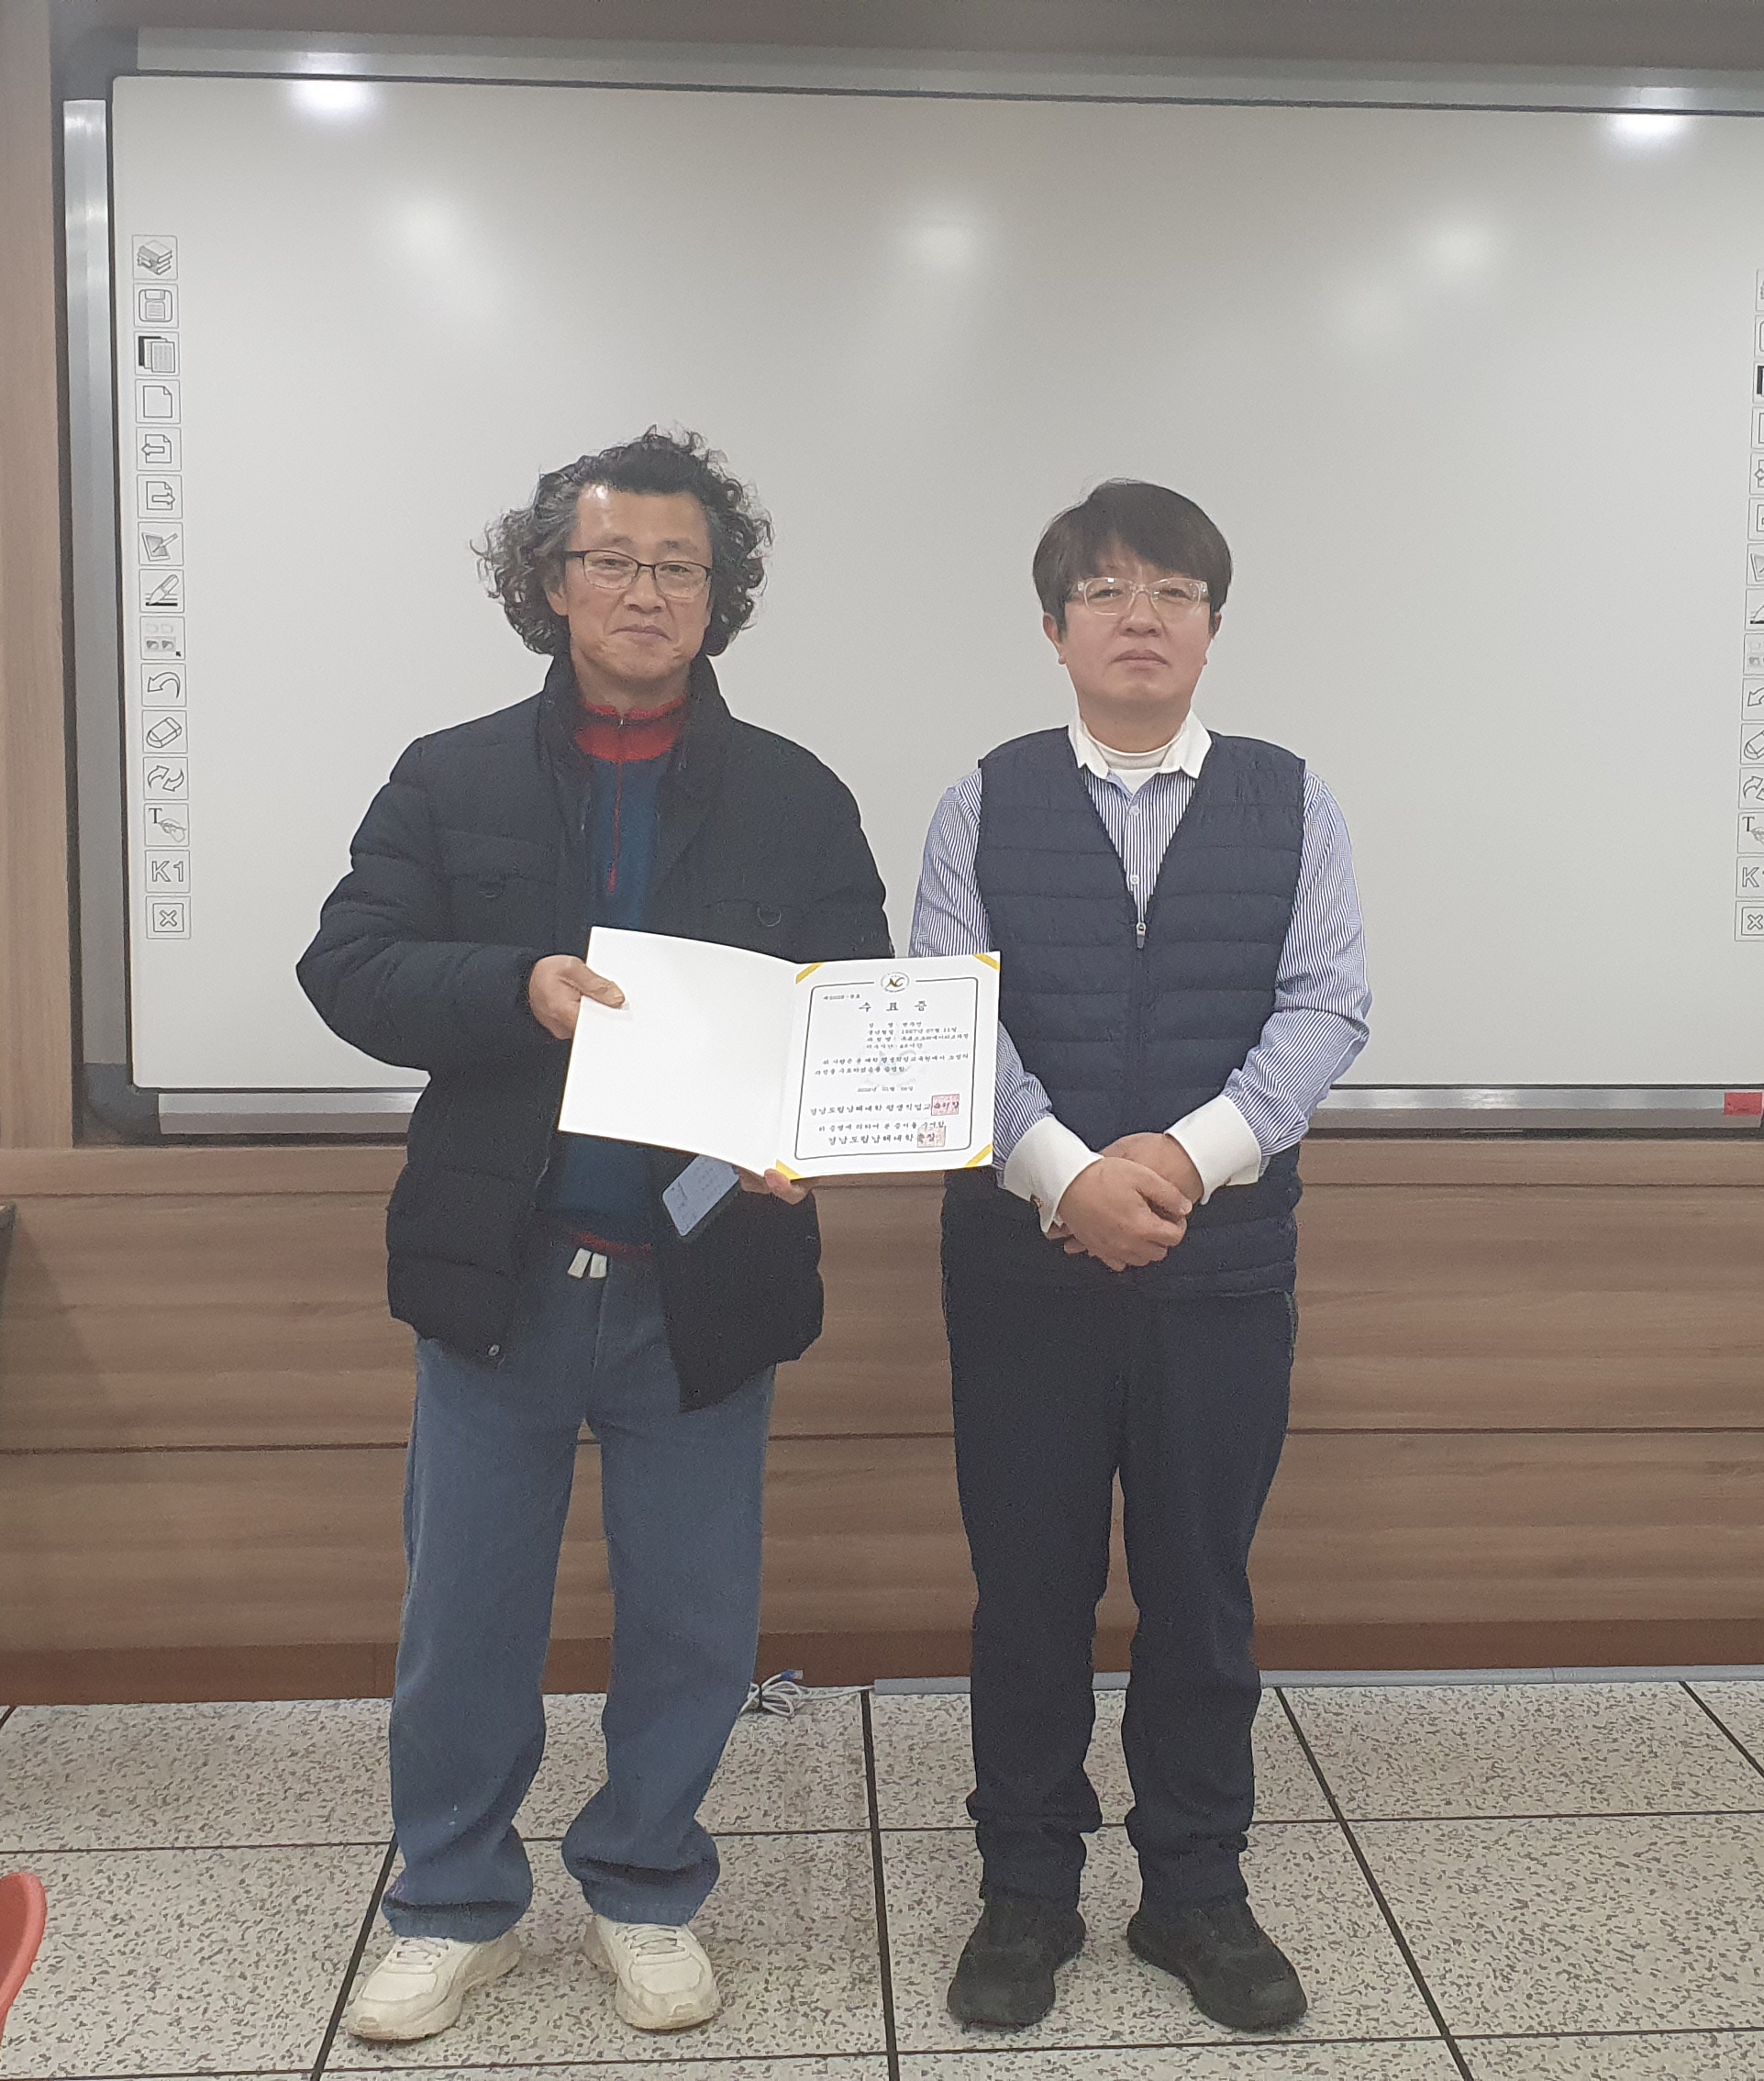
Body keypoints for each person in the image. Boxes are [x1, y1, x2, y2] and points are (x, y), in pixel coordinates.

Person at [296, 428, 888, 2046]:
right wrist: (520, 988)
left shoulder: (795, 793)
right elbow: (348, 968)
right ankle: (450, 1901)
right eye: (614, 561)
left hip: (707, 1270)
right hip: (503, 1273)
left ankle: (646, 1885)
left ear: (720, 593)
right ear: (551, 582)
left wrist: (812, 1131)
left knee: (694, 1621)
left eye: (679, 567)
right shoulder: (452, 774)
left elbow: (853, 1002)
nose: (646, 591)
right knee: (465, 1621)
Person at [908, 480, 1372, 2032]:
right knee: (1027, 1588)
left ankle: (1195, 1889)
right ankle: (1027, 1888)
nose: (1141, 618)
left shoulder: (1293, 800)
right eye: (1107, 592)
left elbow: (1325, 1004)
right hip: (1022, 1270)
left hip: (1221, 1269)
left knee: (1200, 1590)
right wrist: (1064, 1176)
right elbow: (950, 1016)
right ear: (1056, 631)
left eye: (1174, 592)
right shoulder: (982, 801)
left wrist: (1178, 1160)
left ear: (1212, 628)